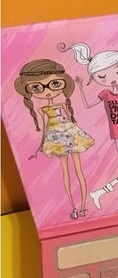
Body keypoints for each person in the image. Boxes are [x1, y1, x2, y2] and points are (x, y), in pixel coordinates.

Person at [59, 32, 118, 211]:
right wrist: (81, 88)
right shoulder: (104, 94)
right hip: (116, 129)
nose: (113, 79)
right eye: (102, 77)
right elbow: (88, 105)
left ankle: (105, 189)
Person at [14, 59, 94, 219]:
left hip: (70, 135)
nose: (47, 92)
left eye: (55, 84)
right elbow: (44, 129)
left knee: (79, 171)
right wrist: (39, 148)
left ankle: (84, 206)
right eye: (37, 88)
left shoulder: (62, 104)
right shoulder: (42, 109)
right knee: (66, 172)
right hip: (55, 139)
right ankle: (73, 207)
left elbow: (70, 120)